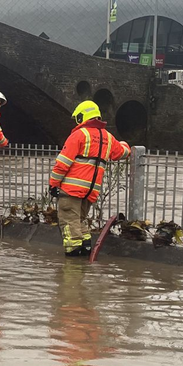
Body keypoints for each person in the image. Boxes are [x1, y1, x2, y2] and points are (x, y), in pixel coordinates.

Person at [48, 101, 131, 256]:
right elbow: (122, 153)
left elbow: (62, 164)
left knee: (69, 222)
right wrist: (125, 144)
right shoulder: (108, 137)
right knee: (79, 221)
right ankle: (86, 251)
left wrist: (53, 184)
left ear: (82, 116)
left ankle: (73, 265)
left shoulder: (79, 135)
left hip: (71, 190)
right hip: (91, 191)